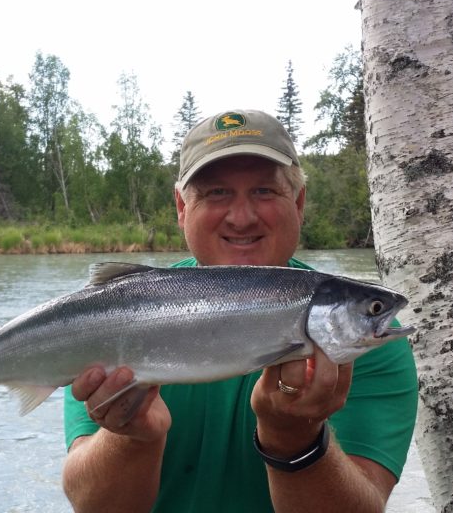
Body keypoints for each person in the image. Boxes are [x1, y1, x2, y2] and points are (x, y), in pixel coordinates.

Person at [61, 109, 418, 512]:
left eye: (264, 191)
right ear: (181, 207)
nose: (242, 217)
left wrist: (294, 442)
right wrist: (130, 436)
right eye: (216, 193)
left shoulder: (370, 347)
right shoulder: (116, 316)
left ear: (298, 202)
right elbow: (93, 507)